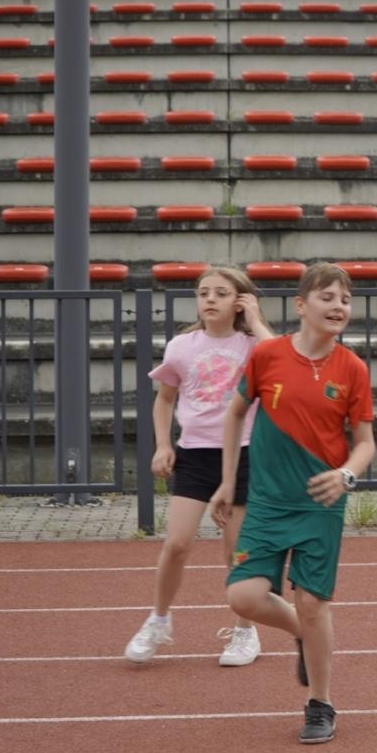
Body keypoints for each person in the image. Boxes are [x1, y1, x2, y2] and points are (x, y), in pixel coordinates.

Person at [212, 262, 375, 745]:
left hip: (320, 504)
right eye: (327, 297)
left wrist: (346, 475)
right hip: (266, 502)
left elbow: (365, 443)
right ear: (301, 305)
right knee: (242, 596)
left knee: (312, 602)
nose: (339, 306)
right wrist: (227, 482)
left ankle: (320, 703)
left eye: (345, 299)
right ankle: (303, 633)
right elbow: (234, 414)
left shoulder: (353, 368)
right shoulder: (268, 355)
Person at [125, 266, 273, 665]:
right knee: (176, 544)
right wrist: (162, 445)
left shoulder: (253, 345)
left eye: (221, 293)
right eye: (204, 292)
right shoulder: (182, 346)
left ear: (239, 301)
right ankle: (158, 620)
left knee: (235, 551)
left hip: (243, 455)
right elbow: (164, 400)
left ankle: (244, 631)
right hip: (194, 455)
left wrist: (255, 320)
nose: (210, 299)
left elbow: (282, 358)